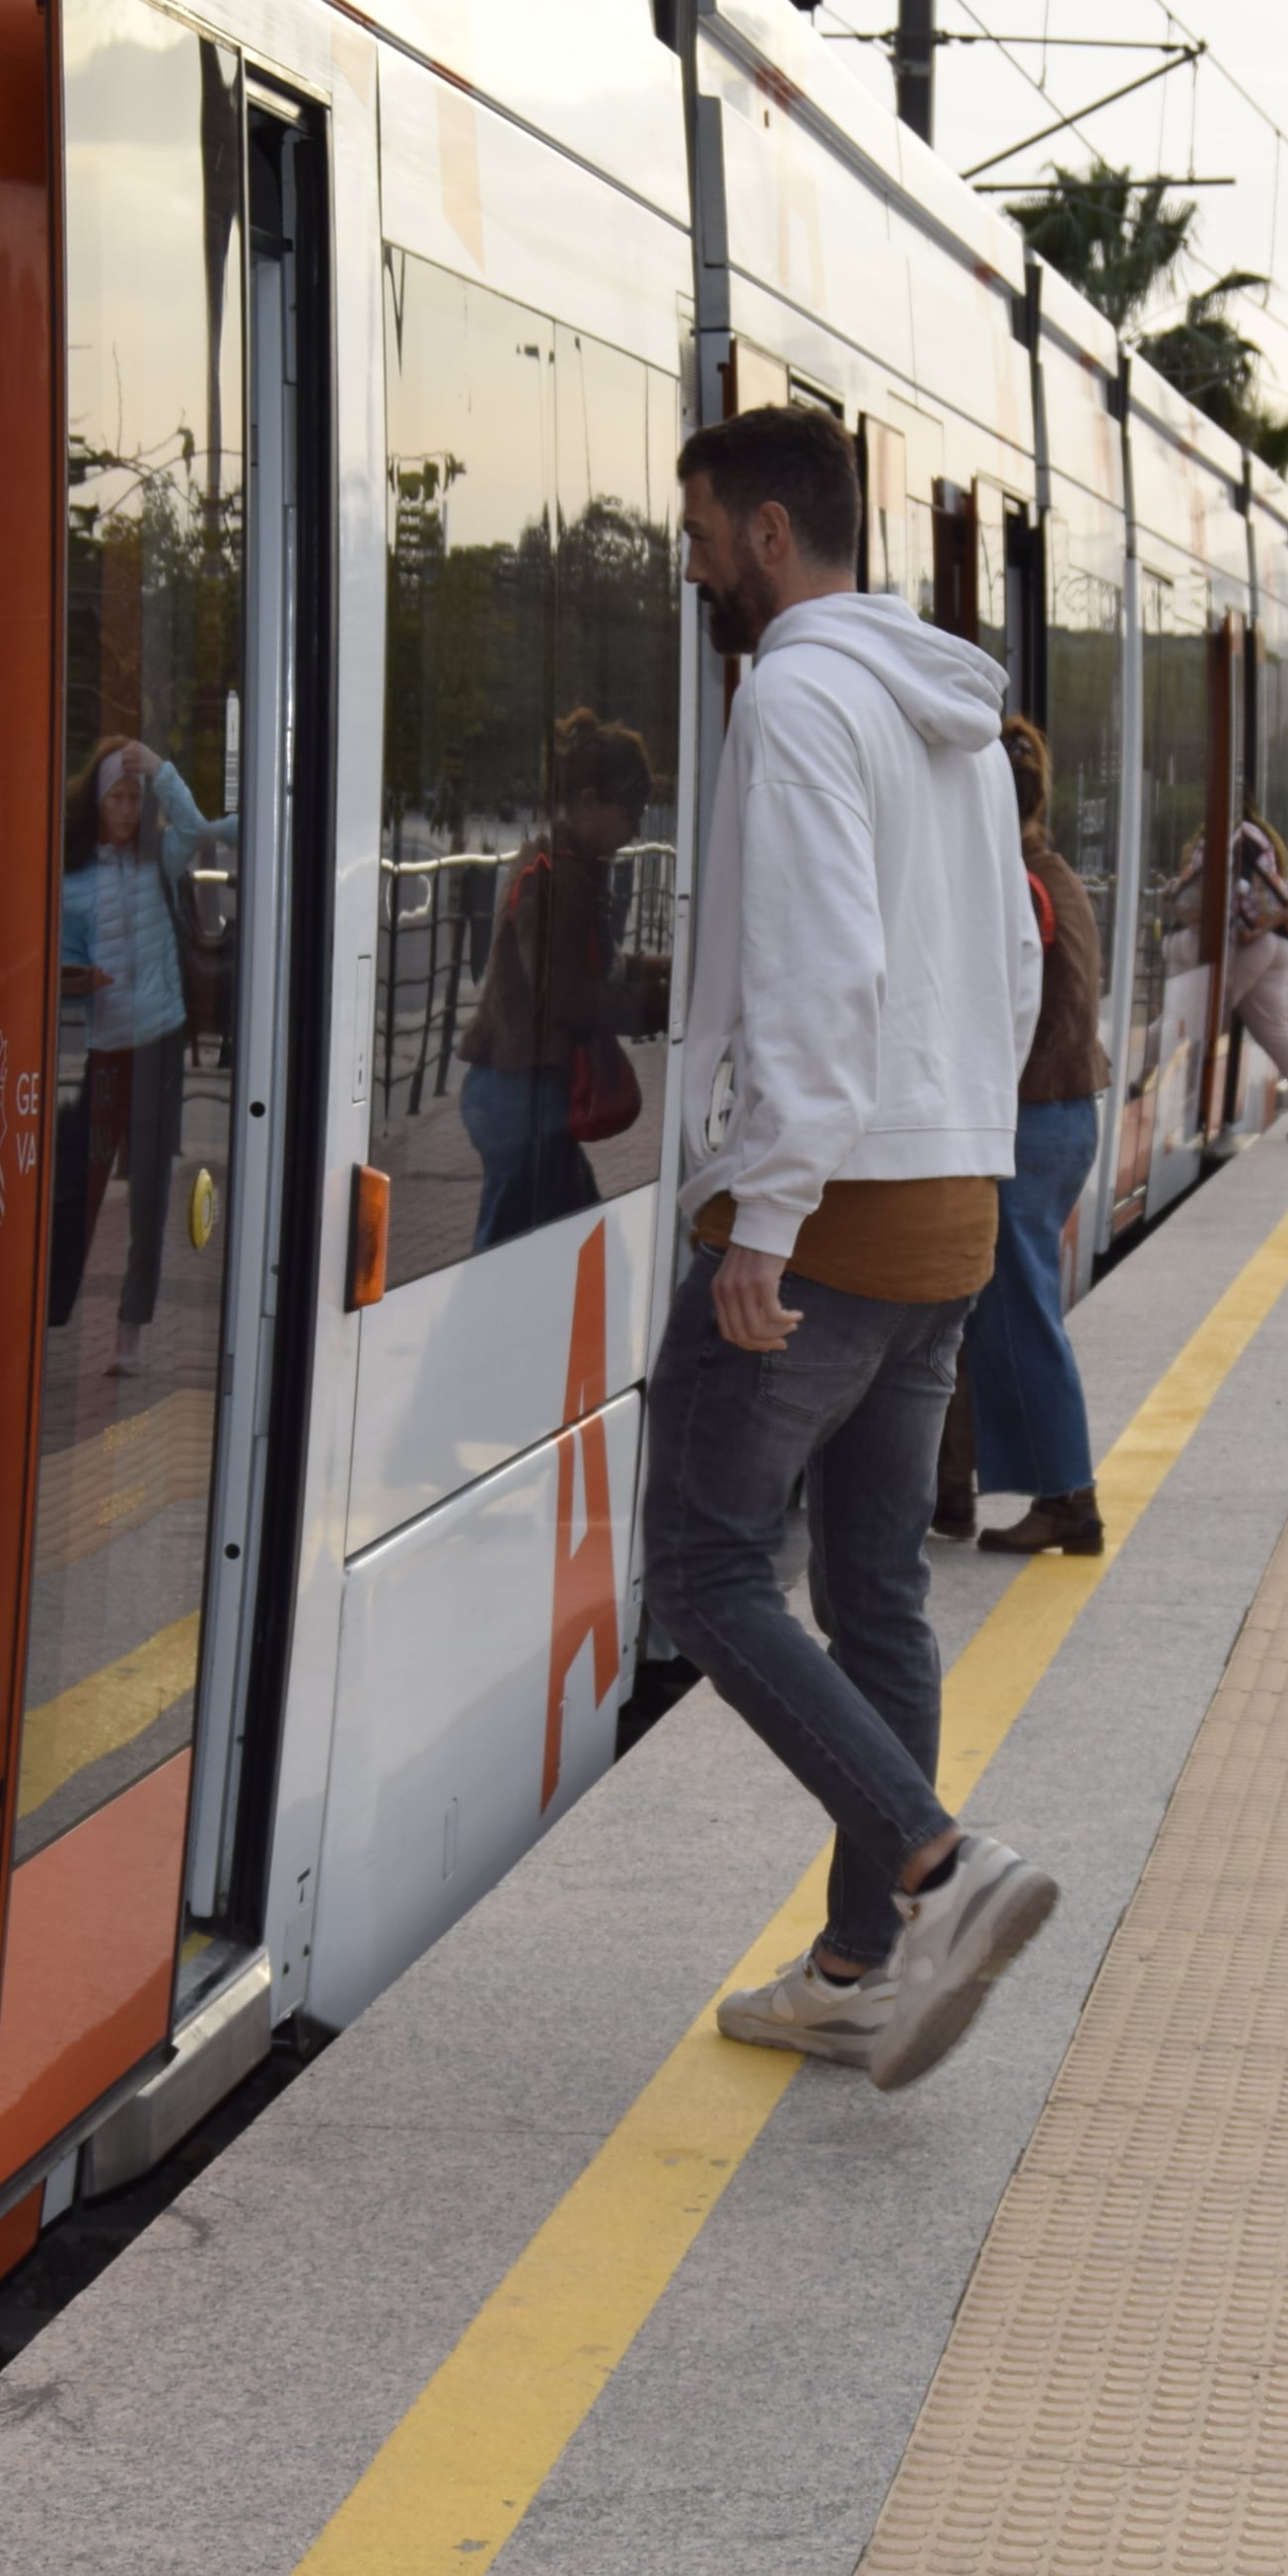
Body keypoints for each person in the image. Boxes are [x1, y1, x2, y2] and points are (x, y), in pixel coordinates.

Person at [644, 400, 1053, 2091]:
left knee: (705, 1565)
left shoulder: (801, 697)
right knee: (877, 1585)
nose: (688, 565)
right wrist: (964, 1133)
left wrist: (772, 1210)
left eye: (695, 533)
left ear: (760, 533)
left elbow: (819, 972)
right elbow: (1013, 960)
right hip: (951, 1199)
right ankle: (855, 1969)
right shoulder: (946, 709)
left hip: (834, 1210)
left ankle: (935, 1865)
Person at [939, 715, 1109, 1555]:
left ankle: (1067, 1497)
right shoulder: (1053, 874)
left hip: (1030, 1122)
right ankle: (962, 1488)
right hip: (1060, 1115)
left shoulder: (1017, 886)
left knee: (1020, 1316)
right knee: (1007, 1311)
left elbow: (999, 1017)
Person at [56, 733, 235, 1378]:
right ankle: (52, 1308)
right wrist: (75, 979)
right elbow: (60, 961)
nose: (128, 810)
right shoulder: (75, 879)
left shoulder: (163, 855)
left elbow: (199, 827)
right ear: (97, 805)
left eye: (135, 798)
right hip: (104, 1049)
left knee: (152, 1191)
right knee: (80, 1182)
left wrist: (162, 769)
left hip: (159, 1040)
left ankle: (130, 1328)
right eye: (118, 799)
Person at [455, 709, 667, 1250]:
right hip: (521, 1093)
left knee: (572, 1242)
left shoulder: (565, 866)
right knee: (534, 1251)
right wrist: (660, 1006)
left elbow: (598, 967)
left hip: (519, 1092)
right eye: (633, 813)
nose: (636, 831)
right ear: (590, 801)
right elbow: (567, 997)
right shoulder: (562, 877)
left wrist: (661, 975)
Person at [1213, 805, 1288, 1141]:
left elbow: (1236, 889)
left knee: (1203, 1013)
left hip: (1256, 943)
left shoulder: (1238, 838)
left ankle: (1138, 1083)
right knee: (1273, 1028)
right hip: (1278, 943)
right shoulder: (1263, 839)